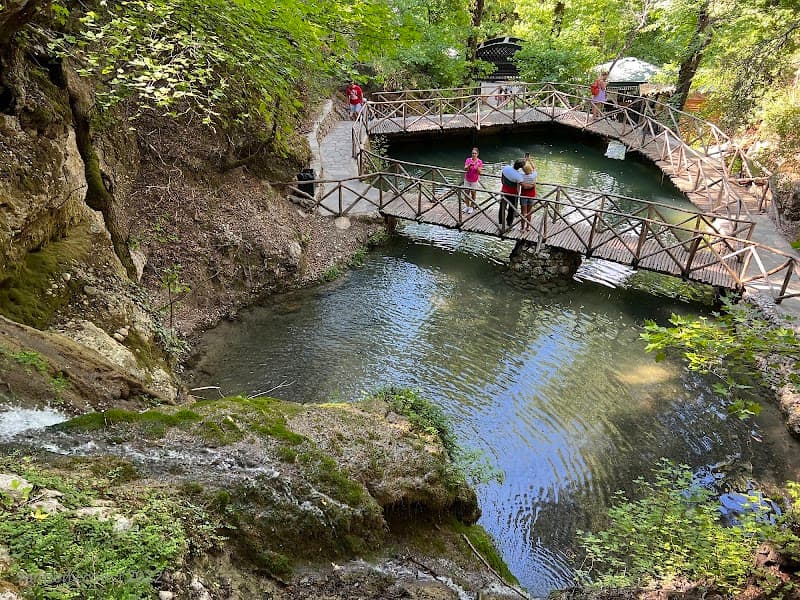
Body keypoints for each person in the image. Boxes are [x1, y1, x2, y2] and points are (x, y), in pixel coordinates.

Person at [499, 158, 525, 228]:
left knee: (502, 207)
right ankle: (509, 223)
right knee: (511, 209)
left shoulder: (506, 168)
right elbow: (523, 185)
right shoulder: (518, 176)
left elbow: (502, 179)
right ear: (521, 167)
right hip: (513, 193)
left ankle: (500, 222)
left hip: (503, 190)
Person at [519, 156, 538, 233]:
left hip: (523, 195)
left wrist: (524, 161)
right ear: (530, 169)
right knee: (529, 212)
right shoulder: (533, 175)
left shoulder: (521, 176)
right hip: (531, 196)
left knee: (523, 213)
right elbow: (535, 168)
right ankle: (528, 227)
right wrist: (529, 160)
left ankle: (522, 228)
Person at [463, 147, 483, 214]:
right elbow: (465, 169)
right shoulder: (468, 160)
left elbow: (480, 172)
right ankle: (467, 206)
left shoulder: (479, 161)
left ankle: (472, 207)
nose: (473, 154)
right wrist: (469, 165)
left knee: (473, 194)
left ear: (477, 154)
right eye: (472, 153)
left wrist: (477, 167)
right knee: (466, 193)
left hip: (474, 180)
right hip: (467, 179)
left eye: (475, 153)